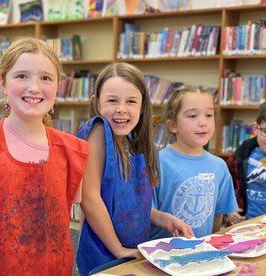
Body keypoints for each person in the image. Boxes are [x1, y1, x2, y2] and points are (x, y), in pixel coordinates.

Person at [0, 38, 89, 275]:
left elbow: (64, 223)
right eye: (22, 76)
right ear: (3, 83)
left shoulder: (71, 151)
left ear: (58, 85)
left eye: (45, 78)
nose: (34, 87)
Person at [76, 63, 193, 276]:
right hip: (104, 258)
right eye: (112, 100)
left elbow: (126, 205)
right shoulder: (99, 130)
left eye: (131, 101)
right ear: (96, 103)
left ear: (142, 106)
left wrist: (163, 219)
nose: (121, 109)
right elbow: (90, 199)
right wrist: (119, 250)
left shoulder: (132, 141)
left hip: (130, 255)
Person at [150, 86, 238, 239]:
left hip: (200, 253)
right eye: (192, 116)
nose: (203, 122)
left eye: (209, 115)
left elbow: (218, 214)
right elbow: (146, 212)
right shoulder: (157, 162)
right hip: (162, 254)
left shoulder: (219, 166)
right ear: (172, 125)